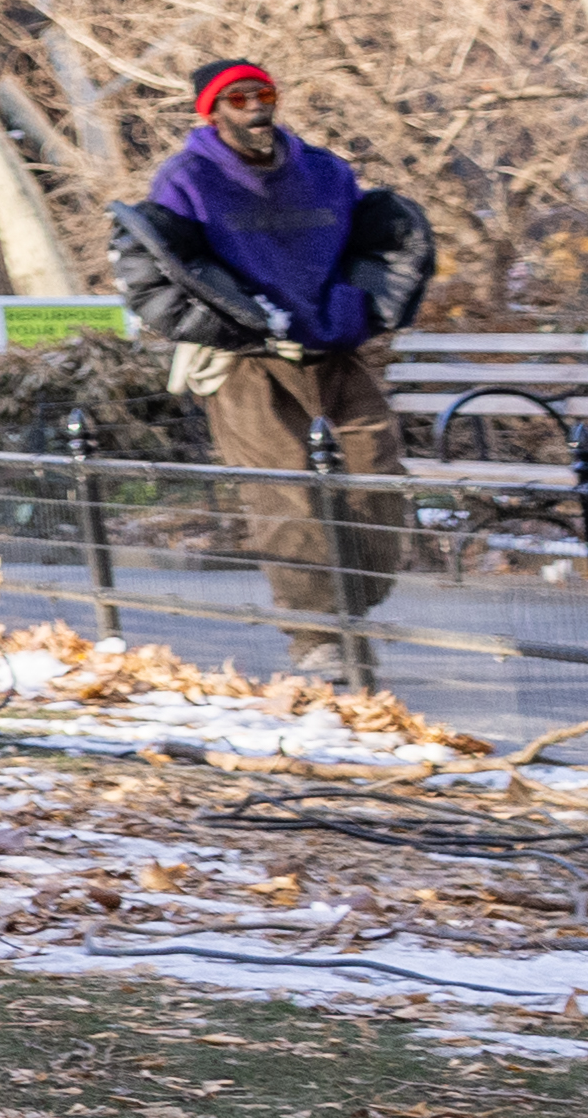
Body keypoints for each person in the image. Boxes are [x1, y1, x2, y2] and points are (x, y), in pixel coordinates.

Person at [117, 56, 439, 683]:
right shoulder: (187, 180)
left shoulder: (325, 172)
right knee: (283, 493)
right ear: (210, 111)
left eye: (263, 94)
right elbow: (160, 268)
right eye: (237, 99)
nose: (256, 108)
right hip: (245, 361)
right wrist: (233, 322)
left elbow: (370, 248)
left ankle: (355, 610)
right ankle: (316, 638)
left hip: (335, 350)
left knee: (376, 478)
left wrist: (360, 310)